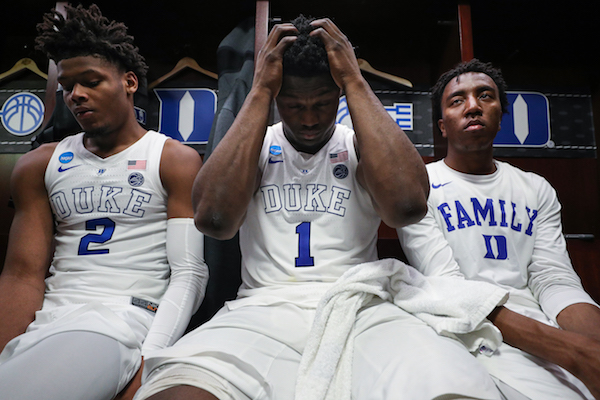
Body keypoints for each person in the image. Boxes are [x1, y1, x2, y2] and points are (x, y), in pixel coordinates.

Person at [134, 16, 510, 400]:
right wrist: (262, 87)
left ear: (339, 96)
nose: (310, 118)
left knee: (452, 386)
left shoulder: (361, 144)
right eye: (295, 105)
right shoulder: (255, 144)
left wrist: (353, 80)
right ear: (277, 97)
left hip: (361, 309)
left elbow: (408, 207)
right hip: (263, 309)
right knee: (179, 393)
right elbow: (214, 220)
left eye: (323, 103)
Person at [0, 5, 208, 400]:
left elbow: (190, 274)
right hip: (49, 324)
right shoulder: (38, 163)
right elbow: (21, 276)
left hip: (122, 321)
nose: (76, 95)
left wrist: (151, 358)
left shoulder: (173, 158)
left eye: (91, 82)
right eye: (67, 86)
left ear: (129, 82)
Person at [397, 58, 600, 399]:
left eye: (485, 96)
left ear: (502, 116)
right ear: (442, 125)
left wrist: (591, 343)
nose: (473, 106)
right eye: (457, 100)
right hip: (465, 328)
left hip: (540, 324)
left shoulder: (536, 188)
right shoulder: (421, 186)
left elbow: (554, 280)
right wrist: (573, 353)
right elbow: (451, 290)